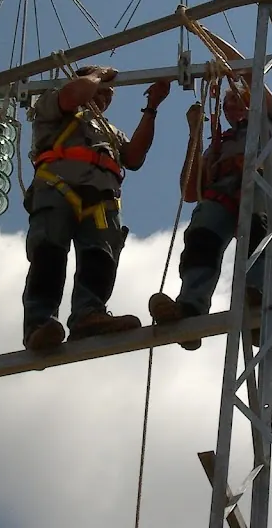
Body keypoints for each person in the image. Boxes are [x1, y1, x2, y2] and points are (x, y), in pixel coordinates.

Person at [147, 28, 272, 351]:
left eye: (238, 97)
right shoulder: (220, 145)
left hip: (258, 188)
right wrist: (195, 133)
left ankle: (256, 305)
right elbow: (189, 191)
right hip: (223, 196)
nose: (232, 105)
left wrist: (203, 32)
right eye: (227, 102)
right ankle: (190, 308)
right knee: (202, 236)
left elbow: (244, 69)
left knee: (259, 233)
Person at [22, 64, 170, 350]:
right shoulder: (55, 106)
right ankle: (39, 325)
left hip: (100, 199)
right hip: (57, 187)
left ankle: (88, 316)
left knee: (99, 258)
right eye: (102, 91)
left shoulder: (109, 132)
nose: (106, 97)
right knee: (49, 254)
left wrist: (152, 107)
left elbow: (134, 156)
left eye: (110, 95)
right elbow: (72, 94)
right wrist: (99, 75)